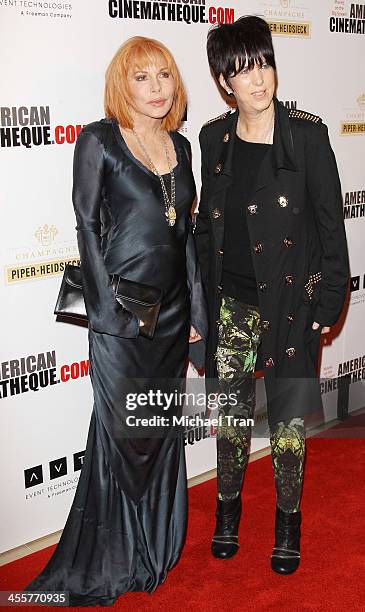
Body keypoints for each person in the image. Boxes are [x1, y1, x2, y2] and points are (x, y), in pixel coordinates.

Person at [24, 36, 207, 605]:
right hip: (121, 317)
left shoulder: (180, 143)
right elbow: (86, 228)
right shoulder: (97, 140)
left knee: (159, 431)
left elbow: (186, 237)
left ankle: (155, 544)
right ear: (121, 85)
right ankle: (113, 559)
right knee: (122, 435)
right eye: (142, 78)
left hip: (173, 316)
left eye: (164, 76)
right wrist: (106, 314)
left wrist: (197, 313)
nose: (156, 88)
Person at [195, 16, 349, 574]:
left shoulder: (306, 136)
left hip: (289, 308)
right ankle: (227, 513)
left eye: (264, 64)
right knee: (230, 419)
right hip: (230, 306)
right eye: (243, 71)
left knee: (286, 427)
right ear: (223, 82)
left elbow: (332, 228)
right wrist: (196, 308)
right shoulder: (213, 138)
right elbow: (204, 232)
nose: (258, 80)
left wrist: (326, 305)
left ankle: (288, 525)